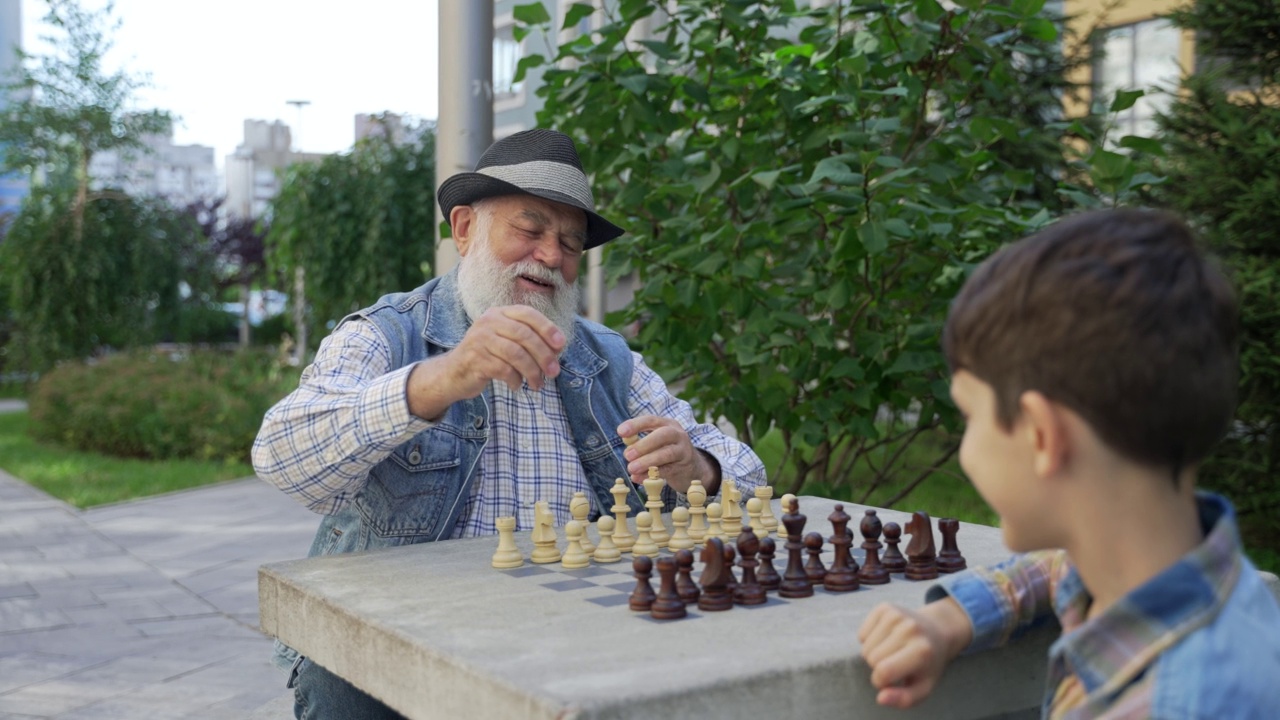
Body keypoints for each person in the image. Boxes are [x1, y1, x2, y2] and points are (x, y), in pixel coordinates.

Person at [252, 128, 767, 718]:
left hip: (572, 636)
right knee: (343, 680)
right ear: (465, 228)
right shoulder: (386, 334)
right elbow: (280, 458)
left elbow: (749, 479)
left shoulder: (605, 358)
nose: (550, 256)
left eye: (570, 244)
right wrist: (441, 379)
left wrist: (697, 467)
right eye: (529, 230)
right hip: (406, 638)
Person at [857, 209, 1280, 717]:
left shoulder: (1171, 704)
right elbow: (1059, 569)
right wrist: (947, 622)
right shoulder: (1194, 576)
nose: (966, 449)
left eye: (968, 414)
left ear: (1041, 436)